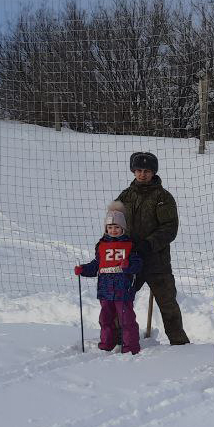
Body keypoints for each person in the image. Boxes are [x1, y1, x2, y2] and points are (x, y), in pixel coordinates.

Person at [116, 152, 190, 345]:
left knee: (168, 304)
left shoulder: (163, 197)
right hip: (131, 261)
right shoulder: (125, 196)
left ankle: (180, 344)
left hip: (157, 262)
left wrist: (149, 244)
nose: (142, 174)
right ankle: (117, 338)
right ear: (133, 171)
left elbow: (169, 227)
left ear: (153, 172)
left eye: (147, 171)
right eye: (139, 170)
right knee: (121, 299)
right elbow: (114, 223)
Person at [75, 202, 143, 354]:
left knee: (126, 319)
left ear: (123, 228)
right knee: (105, 319)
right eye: (110, 227)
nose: (113, 230)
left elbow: (138, 264)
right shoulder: (101, 245)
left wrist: (128, 265)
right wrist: (83, 269)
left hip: (123, 289)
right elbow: (97, 265)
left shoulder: (129, 245)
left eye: (117, 227)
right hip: (105, 289)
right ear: (106, 229)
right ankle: (106, 344)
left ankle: (130, 347)